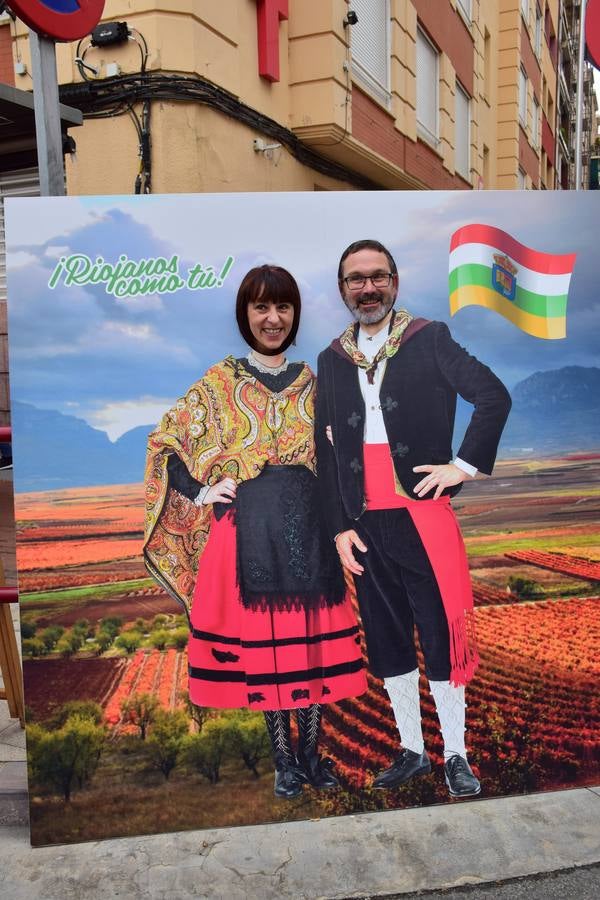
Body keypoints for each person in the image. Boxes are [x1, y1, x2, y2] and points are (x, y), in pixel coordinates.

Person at [144, 264, 366, 799]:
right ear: (245, 315)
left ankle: (312, 753)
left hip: (306, 527)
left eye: (283, 307)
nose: (273, 319)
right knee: (265, 651)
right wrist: (201, 490)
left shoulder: (316, 383)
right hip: (244, 531)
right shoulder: (219, 383)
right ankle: (283, 761)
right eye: (261, 308)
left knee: (307, 649)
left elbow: (341, 453)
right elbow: (165, 442)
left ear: (295, 315)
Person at [315, 239, 511, 798]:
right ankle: (411, 751)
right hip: (364, 524)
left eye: (377, 277)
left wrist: (462, 467)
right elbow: (324, 452)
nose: (367, 287)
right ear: (343, 289)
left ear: (394, 284)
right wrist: (338, 526)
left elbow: (493, 397)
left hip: (421, 519)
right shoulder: (331, 359)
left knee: (442, 640)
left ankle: (456, 755)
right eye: (356, 279)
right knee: (388, 640)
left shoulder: (429, 340)